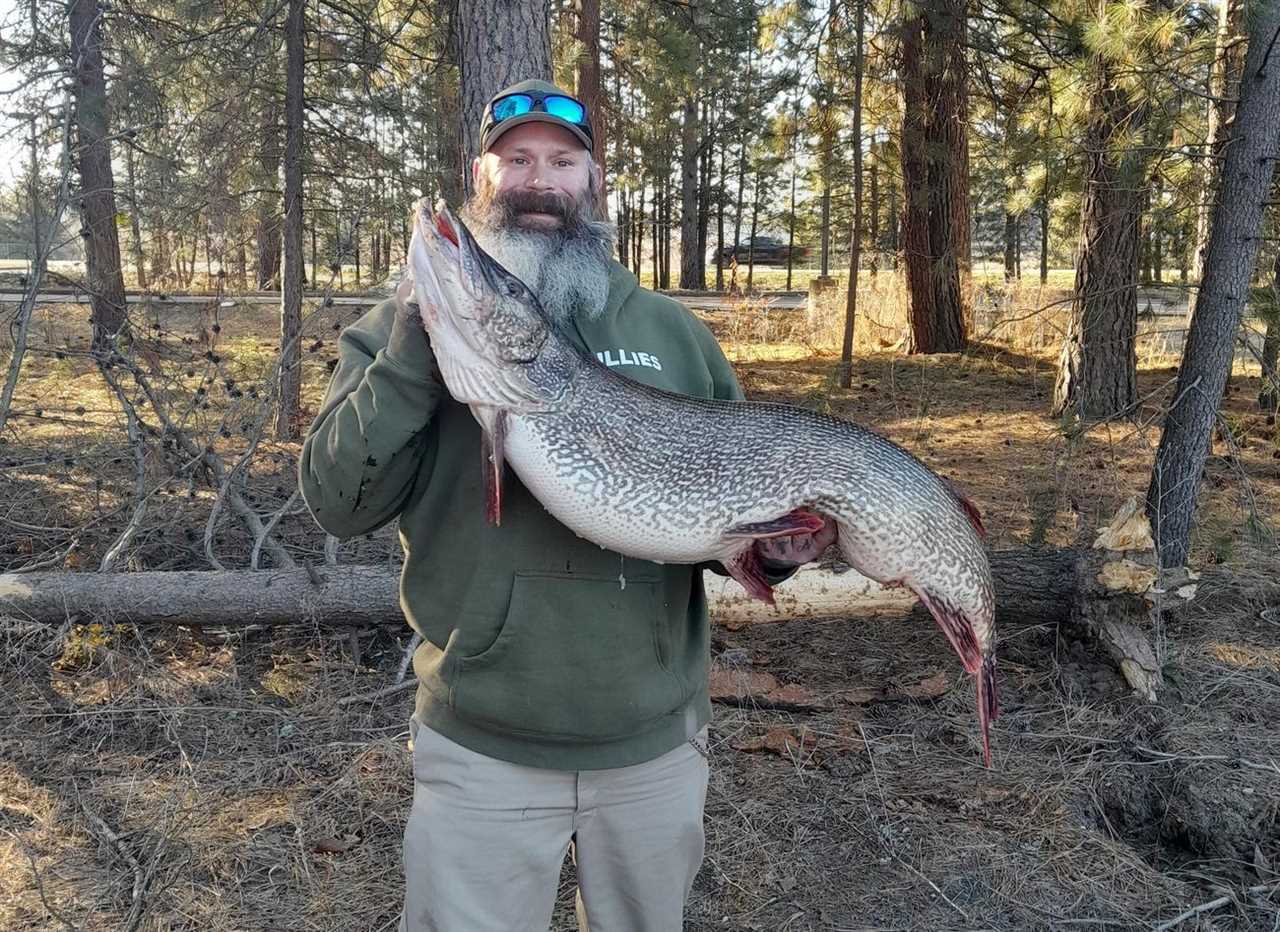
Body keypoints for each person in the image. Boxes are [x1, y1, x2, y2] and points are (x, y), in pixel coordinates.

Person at [299, 78, 834, 932]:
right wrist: (413, 349)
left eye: (561, 160)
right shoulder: (406, 326)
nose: (538, 179)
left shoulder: (672, 333)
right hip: (484, 744)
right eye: (516, 159)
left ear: (590, 184)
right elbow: (336, 502)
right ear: (483, 175)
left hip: (652, 746)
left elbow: (716, 516)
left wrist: (769, 550)